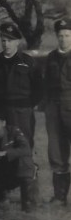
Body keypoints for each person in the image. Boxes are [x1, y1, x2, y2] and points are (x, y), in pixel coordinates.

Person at [0, 22, 42, 148]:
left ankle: (27, 167)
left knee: (24, 141)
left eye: (10, 40)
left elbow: (38, 87)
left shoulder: (28, 61)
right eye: (4, 40)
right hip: (2, 110)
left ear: (17, 42)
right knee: (4, 142)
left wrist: (28, 104)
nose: (6, 44)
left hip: (23, 111)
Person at [44, 18, 71, 206]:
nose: (63, 39)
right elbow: (45, 84)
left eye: (67, 35)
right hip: (54, 108)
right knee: (56, 151)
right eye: (60, 36)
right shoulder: (51, 57)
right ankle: (60, 197)